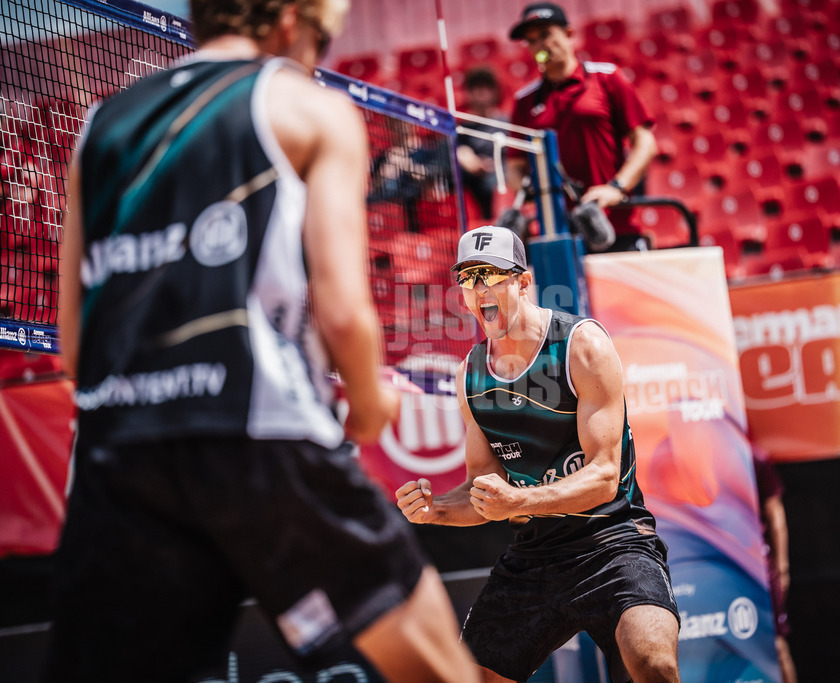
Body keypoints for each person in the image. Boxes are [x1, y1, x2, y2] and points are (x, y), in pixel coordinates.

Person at [45, 2, 478, 682]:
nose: (319, 56)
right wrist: (367, 405)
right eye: (319, 41)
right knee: (437, 665)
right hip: (259, 433)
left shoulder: (101, 124)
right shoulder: (305, 106)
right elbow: (342, 313)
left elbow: (74, 346)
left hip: (118, 450)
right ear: (286, 21)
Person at [397, 225, 681, 682]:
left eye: (490, 275)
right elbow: (480, 490)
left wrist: (520, 502)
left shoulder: (581, 345)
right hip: (535, 554)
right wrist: (436, 511)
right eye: (468, 279)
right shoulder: (470, 375)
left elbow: (605, 476)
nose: (478, 289)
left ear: (523, 283)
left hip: (612, 539)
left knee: (652, 663)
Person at [504, 2, 659, 252]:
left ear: (569, 35)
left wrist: (616, 188)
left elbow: (646, 143)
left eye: (545, 35)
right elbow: (514, 167)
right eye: (531, 41)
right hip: (556, 233)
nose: (539, 46)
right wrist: (529, 191)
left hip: (614, 226)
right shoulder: (524, 101)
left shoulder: (607, 78)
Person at [754, 447, 798, 683]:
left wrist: (782, 567)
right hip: (722, 566)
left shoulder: (755, 457)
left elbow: (776, 515)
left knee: (777, 645)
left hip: (760, 567)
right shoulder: (696, 459)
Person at [457, 66, 508, 220]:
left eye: (486, 86)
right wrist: (472, 162)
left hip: (503, 181)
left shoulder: (507, 123)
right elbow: (461, 152)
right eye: (475, 87)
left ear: (494, 91)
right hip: (477, 185)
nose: (480, 92)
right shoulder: (463, 129)